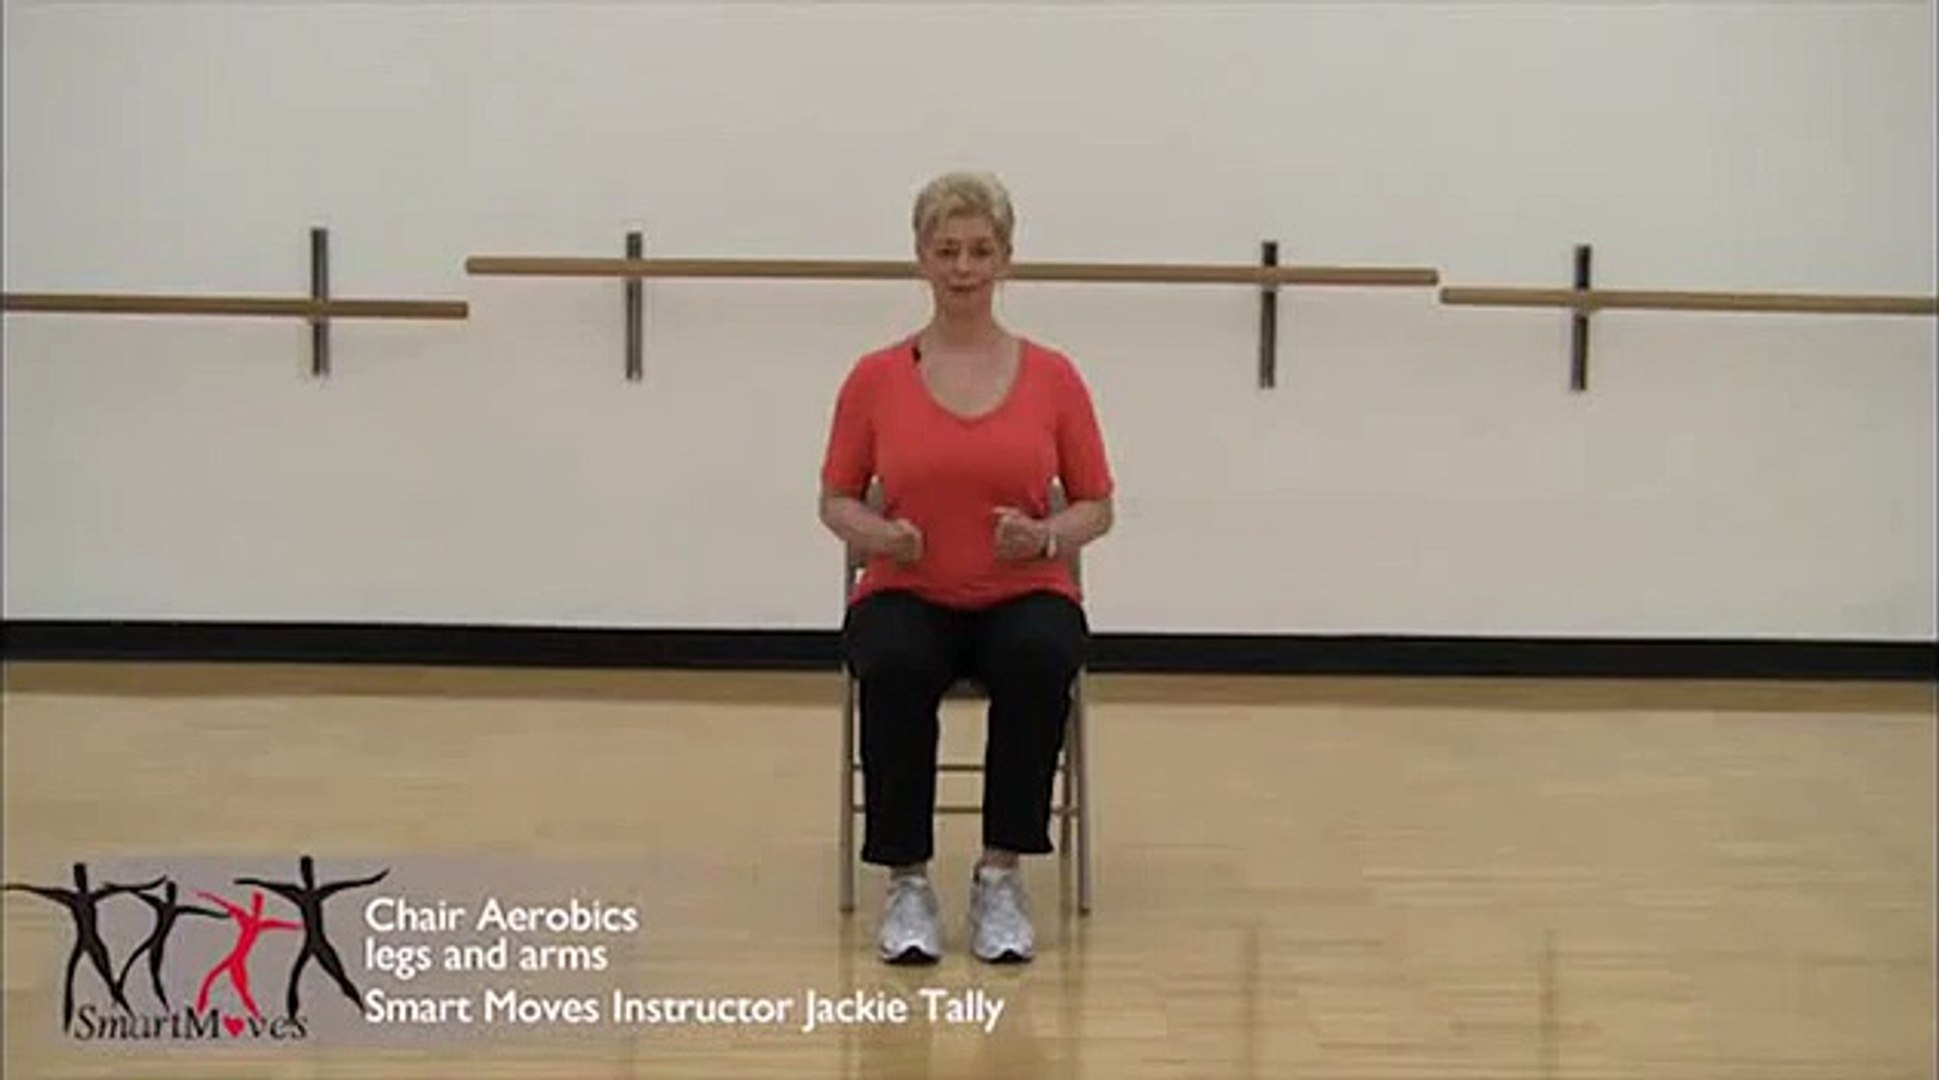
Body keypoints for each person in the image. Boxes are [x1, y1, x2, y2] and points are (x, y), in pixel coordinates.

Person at [817, 171, 1116, 964]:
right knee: (892, 659)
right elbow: (836, 499)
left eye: (980, 251)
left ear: (1005, 260)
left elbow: (1096, 505)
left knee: (1041, 653)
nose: (962, 267)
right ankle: (907, 882)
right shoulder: (874, 378)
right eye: (946, 250)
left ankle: (999, 877)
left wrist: (1045, 536)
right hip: (908, 590)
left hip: (1023, 591)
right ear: (921, 258)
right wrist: (881, 537)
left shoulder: (1053, 376)